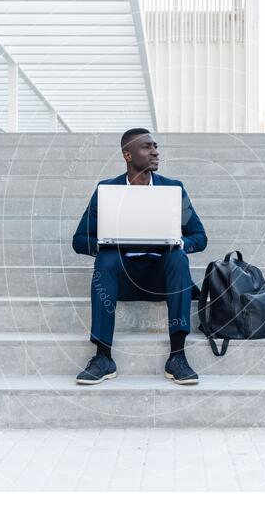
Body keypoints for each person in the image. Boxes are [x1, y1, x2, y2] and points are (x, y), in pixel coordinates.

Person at [72, 128, 208, 385]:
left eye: (155, 146)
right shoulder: (106, 190)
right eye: (147, 147)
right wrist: (108, 243)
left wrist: (177, 241)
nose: (155, 151)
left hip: (161, 280)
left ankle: (177, 356)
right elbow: (79, 241)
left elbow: (199, 238)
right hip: (121, 280)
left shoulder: (173, 189)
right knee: (106, 258)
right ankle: (103, 357)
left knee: (178, 258)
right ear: (128, 155)